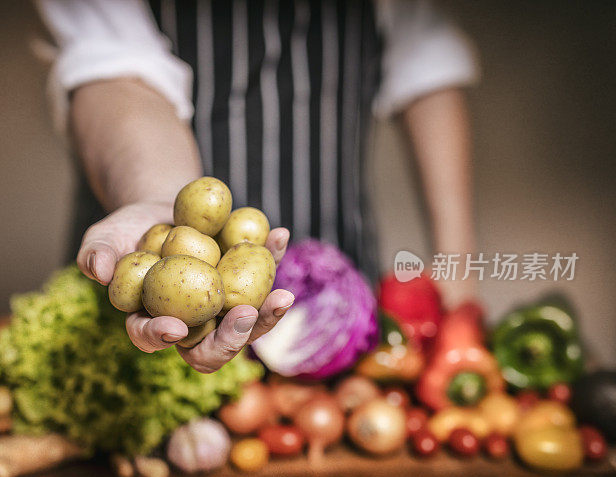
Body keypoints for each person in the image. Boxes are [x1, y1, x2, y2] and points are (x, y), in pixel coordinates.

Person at [36, 0, 480, 373]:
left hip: (330, 305)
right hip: (144, 248)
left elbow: (425, 55)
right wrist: (157, 198)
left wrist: (458, 282)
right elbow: (113, 69)